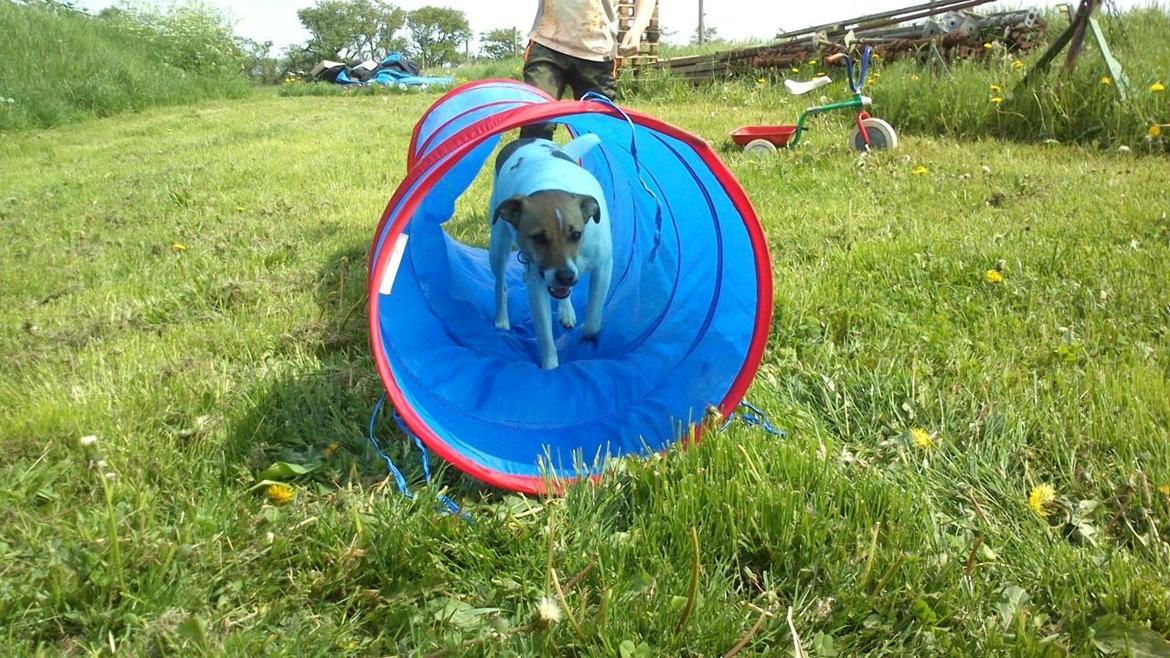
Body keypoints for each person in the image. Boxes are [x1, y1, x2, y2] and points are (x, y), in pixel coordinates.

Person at [519, 0, 657, 140]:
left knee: (598, 133)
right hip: (546, 44)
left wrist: (637, 28)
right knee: (536, 123)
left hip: (598, 54)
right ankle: (532, 160)